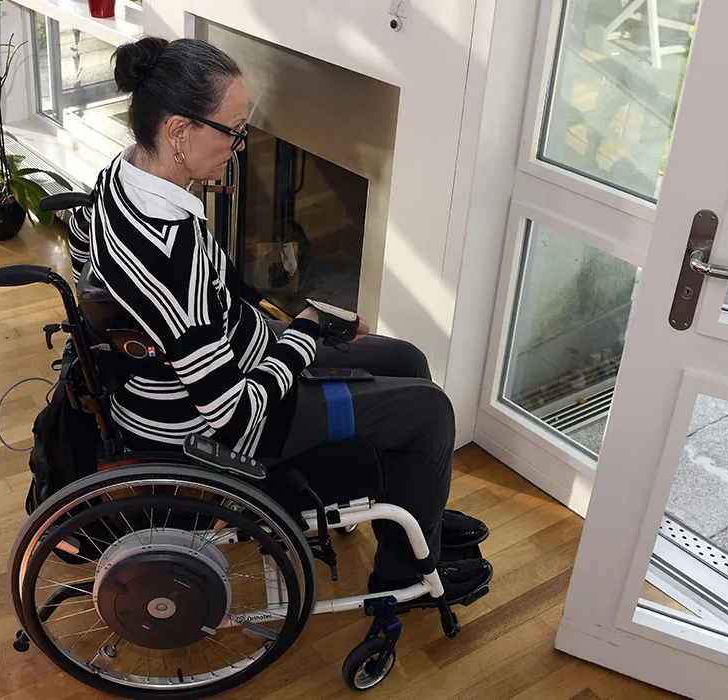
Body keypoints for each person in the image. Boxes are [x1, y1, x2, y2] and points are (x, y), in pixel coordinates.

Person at [64, 36, 492, 606]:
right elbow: (235, 416)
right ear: (178, 131)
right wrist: (304, 333)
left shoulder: (119, 176)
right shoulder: (173, 255)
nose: (240, 145)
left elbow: (81, 248)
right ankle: (405, 578)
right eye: (232, 130)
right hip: (225, 426)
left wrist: (285, 324)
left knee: (406, 359)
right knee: (432, 412)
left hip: (228, 362)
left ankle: (415, 518)